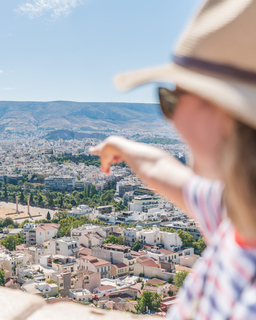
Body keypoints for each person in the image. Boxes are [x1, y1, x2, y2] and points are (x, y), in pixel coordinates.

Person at [90, 0, 256, 318]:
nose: (170, 120)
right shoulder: (236, 210)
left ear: (222, 110)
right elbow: (161, 168)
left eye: (171, 99)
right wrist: (120, 145)